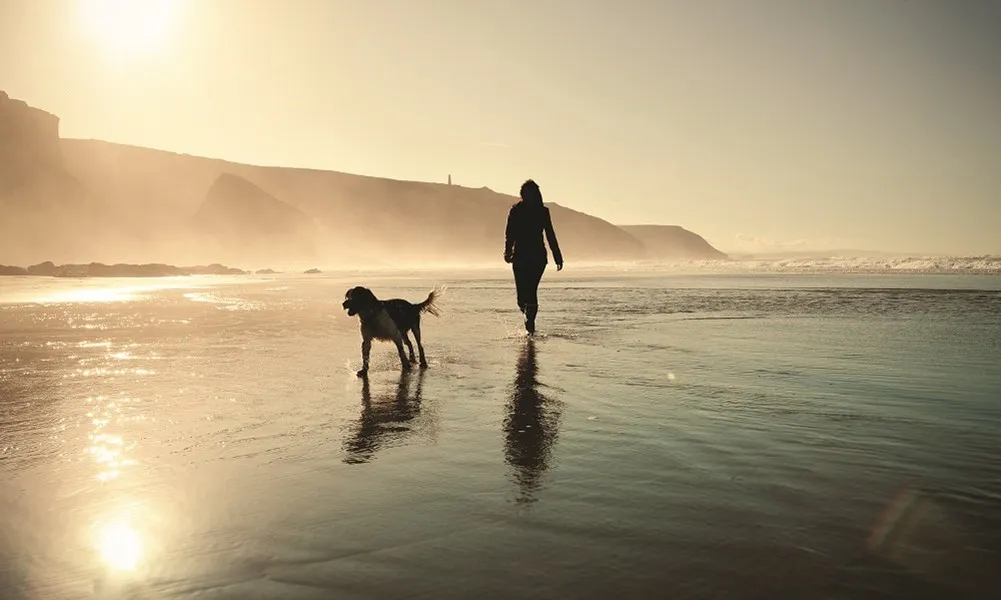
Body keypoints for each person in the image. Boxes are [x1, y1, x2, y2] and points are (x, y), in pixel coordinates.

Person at [504, 179, 563, 334]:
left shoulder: (543, 211)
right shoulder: (516, 210)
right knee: (521, 299)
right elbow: (510, 233)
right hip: (520, 256)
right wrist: (507, 251)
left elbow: (550, 234)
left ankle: (530, 325)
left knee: (531, 291)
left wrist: (557, 256)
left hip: (536, 257)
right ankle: (528, 317)